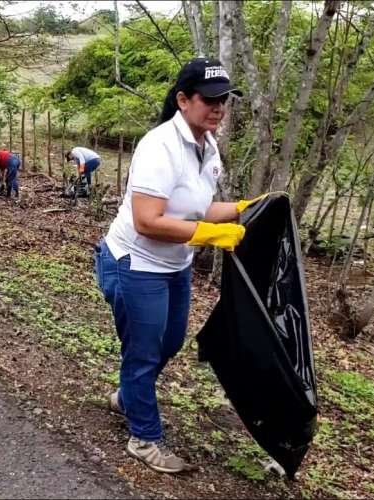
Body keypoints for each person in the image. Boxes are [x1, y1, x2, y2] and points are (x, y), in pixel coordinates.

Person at [94, 58, 267, 474]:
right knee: (144, 352)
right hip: (135, 264)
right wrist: (208, 234)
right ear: (183, 100)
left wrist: (241, 210)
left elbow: (197, 206)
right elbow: (147, 220)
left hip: (174, 265)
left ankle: (129, 396)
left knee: (169, 343)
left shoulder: (207, 145)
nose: (218, 108)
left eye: (223, 99)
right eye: (209, 100)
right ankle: (144, 438)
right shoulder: (159, 146)